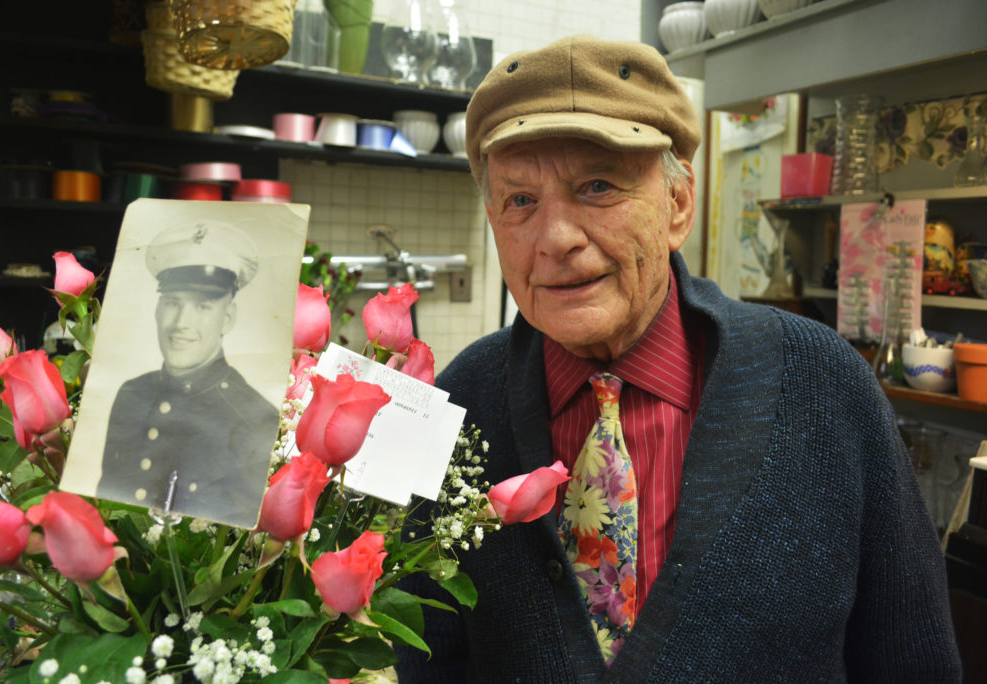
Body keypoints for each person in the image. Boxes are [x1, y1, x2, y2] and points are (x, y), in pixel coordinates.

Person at [395, 35, 962, 682]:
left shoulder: (822, 385)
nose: (554, 239)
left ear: (678, 205)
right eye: (520, 200)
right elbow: (421, 655)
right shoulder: (459, 404)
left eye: (598, 186)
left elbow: (914, 663)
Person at [97, 220, 279, 529]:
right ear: (157, 311)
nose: (181, 322)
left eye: (203, 307)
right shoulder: (132, 394)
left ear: (228, 317)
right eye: (172, 303)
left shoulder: (253, 416)